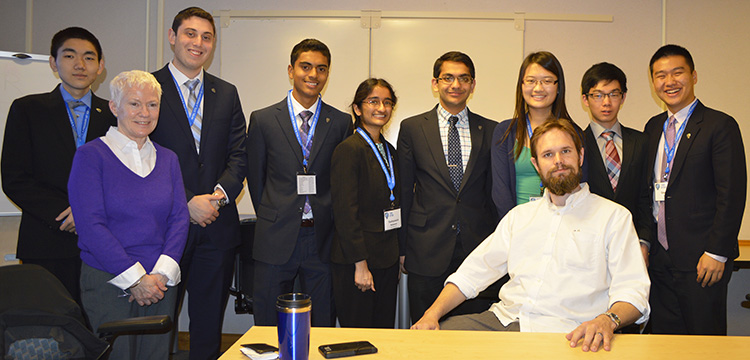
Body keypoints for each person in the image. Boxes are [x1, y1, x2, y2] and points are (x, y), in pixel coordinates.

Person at [412, 118, 650, 353]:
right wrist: (431, 314)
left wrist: (607, 320)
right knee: (427, 346)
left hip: (568, 333)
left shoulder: (614, 217)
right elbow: (471, 274)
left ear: (581, 156)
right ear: (536, 165)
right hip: (501, 322)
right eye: (548, 155)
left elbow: (634, 292)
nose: (558, 161)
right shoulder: (520, 217)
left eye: (565, 151)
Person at [68, 70, 189, 360]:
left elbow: (179, 219)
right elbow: (91, 226)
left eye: (152, 104)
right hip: (110, 283)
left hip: (161, 284)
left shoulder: (169, 158)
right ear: (114, 107)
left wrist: (160, 275)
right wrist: (136, 280)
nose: (144, 113)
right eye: (134, 104)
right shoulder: (90, 156)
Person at [149, 7, 247, 359]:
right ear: (173, 37)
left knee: (207, 325)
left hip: (217, 229)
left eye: (207, 37)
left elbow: (239, 154)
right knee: (157, 321)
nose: (198, 43)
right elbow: (141, 159)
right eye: (190, 34)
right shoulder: (147, 87)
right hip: (163, 227)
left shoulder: (227, 92)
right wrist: (187, 202)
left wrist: (217, 199)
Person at [1, 27, 116, 308]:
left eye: (89, 58)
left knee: (98, 326)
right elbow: (15, 177)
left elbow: (121, 179)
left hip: (102, 242)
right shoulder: (27, 109)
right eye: (69, 55)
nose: (80, 64)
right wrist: (65, 212)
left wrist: (87, 213)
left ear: (100, 66)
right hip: (46, 240)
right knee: (49, 327)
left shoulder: (115, 115)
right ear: (53, 62)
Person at [246, 38, 352, 327]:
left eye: (321, 69)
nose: (313, 75)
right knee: (268, 317)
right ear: (291, 70)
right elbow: (256, 178)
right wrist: (276, 212)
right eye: (306, 67)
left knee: (322, 320)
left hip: (322, 238)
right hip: (275, 235)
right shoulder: (264, 119)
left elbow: (342, 183)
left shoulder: (341, 122)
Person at [644, 44, 746, 335]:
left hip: (703, 260)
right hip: (660, 261)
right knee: (662, 343)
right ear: (653, 83)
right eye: (661, 75)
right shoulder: (653, 127)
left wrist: (717, 252)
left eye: (678, 72)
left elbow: (732, 193)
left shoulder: (719, 125)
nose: (669, 81)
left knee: (704, 343)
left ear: (694, 75)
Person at [398, 51, 498, 324]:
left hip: (477, 249)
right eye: (448, 78)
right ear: (435, 83)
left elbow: (494, 194)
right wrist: (402, 247)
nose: (456, 85)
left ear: (473, 85)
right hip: (425, 247)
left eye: (463, 79)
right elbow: (404, 191)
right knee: (424, 329)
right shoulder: (413, 127)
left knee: (473, 333)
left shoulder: (491, 130)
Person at [330, 78, 400, 328]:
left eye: (387, 102)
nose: (381, 107)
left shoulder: (390, 151)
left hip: (386, 258)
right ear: (358, 109)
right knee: (359, 338)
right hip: (357, 261)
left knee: (383, 334)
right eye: (373, 101)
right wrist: (360, 265)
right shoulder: (348, 149)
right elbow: (345, 213)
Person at [491, 51, 585, 217]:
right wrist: (516, 227)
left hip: (564, 224)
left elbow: (580, 186)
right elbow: (500, 191)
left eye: (547, 81)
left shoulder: (574, 133)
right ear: (521, 86)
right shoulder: (504, 133)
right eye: (531, 81)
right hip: (518, 226)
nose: (538, 88)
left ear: (558, 86)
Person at [581, 63, 652, 267]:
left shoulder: (642, 142)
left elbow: (645, 198)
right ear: (585, 99)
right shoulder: (576, 144)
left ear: (623, 97)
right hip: (588, 248)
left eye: (613, 94)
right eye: (598, 95)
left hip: (632, 245)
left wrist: (644, 242)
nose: (606, 102)